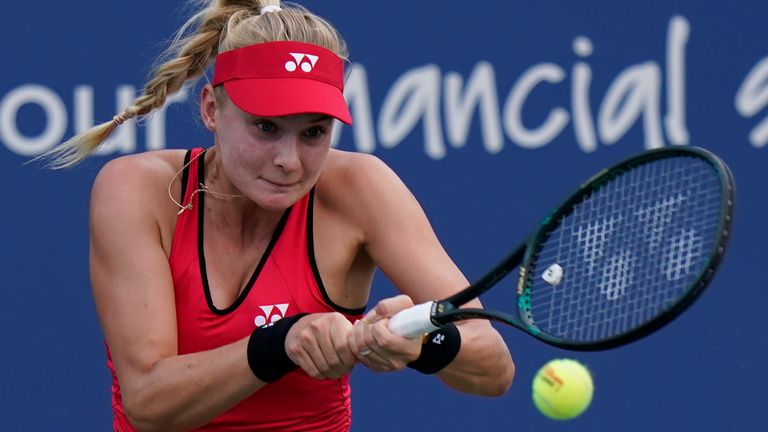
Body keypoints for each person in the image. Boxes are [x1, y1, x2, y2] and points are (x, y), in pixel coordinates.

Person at [44, 1, 514, 430]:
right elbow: (148, 404)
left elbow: (494, 368)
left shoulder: (361, 188)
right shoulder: (136, 189)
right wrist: (282, 341)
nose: (289, 160)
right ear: (211, 109)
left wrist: (424, 344)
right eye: (266, 127)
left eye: (313, 132)